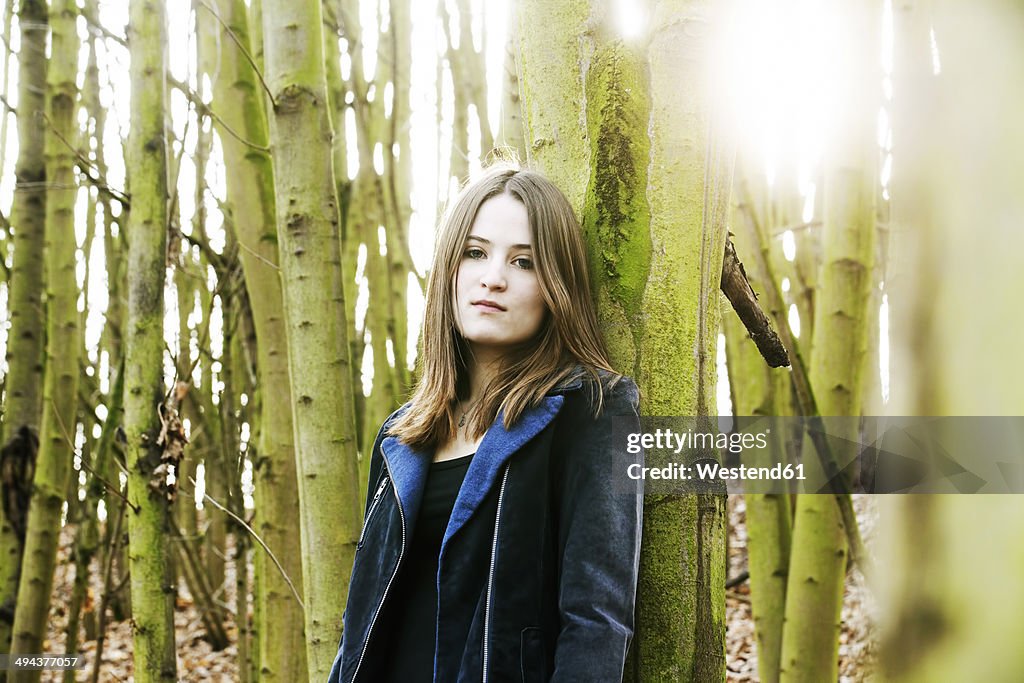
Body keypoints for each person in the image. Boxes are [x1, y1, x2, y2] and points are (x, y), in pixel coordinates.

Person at [327, 166, 643, 683]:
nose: (492, 276)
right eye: (475, 253)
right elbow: (359, 625)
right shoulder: (399, 437)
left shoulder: (591, 410)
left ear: (555, 286)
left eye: (523, 262)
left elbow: (596, 620)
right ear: (450, 268)